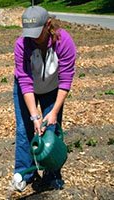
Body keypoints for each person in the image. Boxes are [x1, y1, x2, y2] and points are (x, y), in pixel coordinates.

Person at [12, 6, 76, 191]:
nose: (32, 37)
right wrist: (34, 116)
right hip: (26, 89)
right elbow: (24, 80)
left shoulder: (64, 41)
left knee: (51, 129)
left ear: (48, 25)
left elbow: (66, 79)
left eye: (37, 32)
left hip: (52, 89)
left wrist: (54, 112)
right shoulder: (22, 44)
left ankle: (52, 174)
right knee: (25, 130)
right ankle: (25, 174)